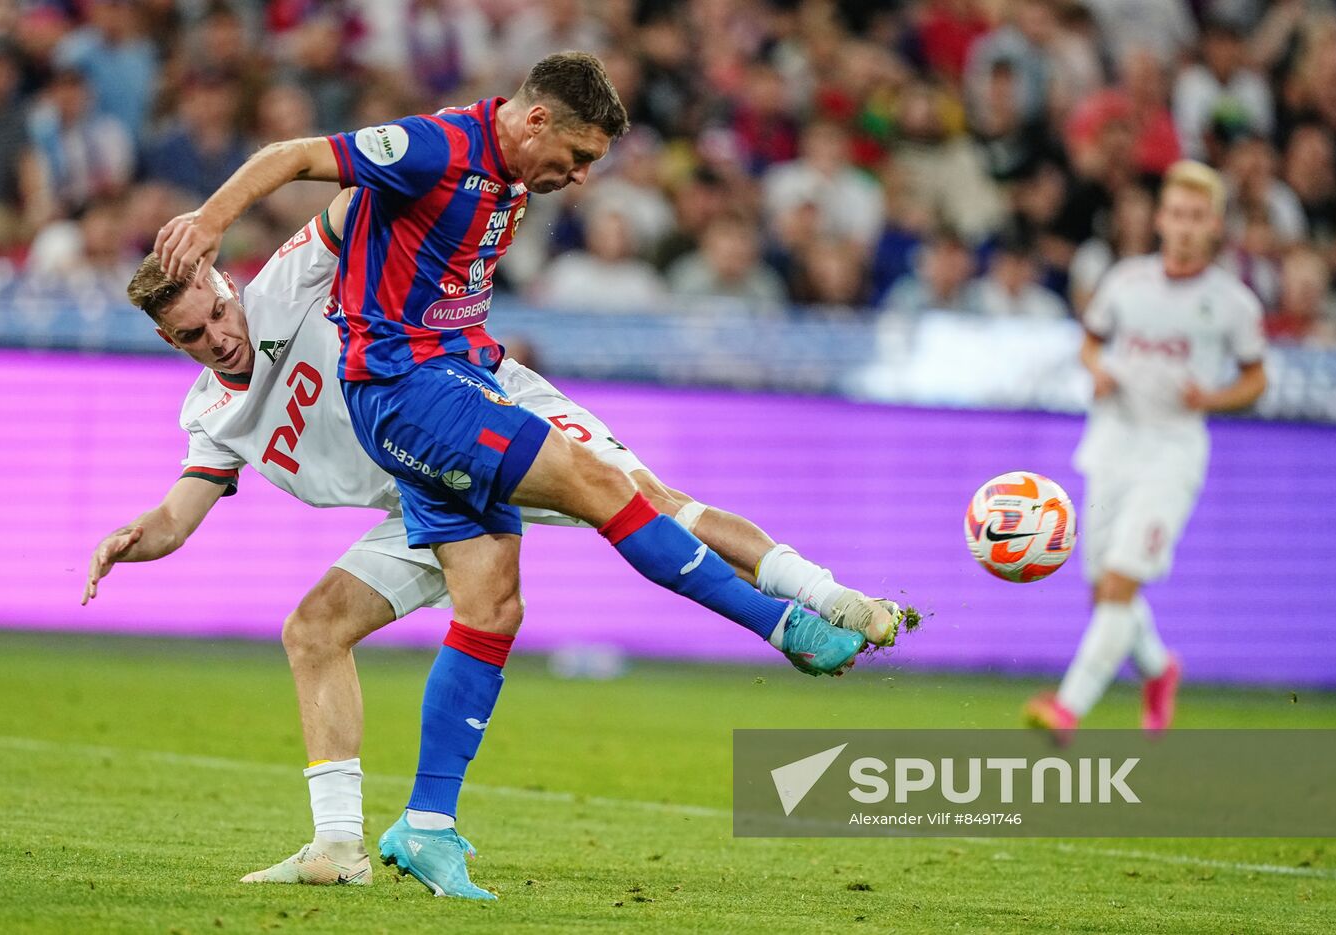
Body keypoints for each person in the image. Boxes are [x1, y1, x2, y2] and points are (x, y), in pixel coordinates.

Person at [150, 53, 898, 898]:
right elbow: (294, 156)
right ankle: (784, 624)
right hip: (412, 393)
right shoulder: (434, 147)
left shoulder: (506, 178)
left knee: (493, 605)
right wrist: (209, 222)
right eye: (576, 159)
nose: (577, 180)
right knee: (606, 487)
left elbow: (358, 223)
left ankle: (425, 823)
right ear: (534, 120)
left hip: (462, 378)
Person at [1024, 161, 1267, 743]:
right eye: (1176, 214)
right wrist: (1098, 372)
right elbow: (1090, 342)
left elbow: (1257, 378)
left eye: (1197, 217)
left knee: (1120, 584)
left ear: (1214, 225)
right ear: (1160, 218)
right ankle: (1159, 669)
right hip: (1111, 445)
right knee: (1101, 592)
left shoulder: (1232, 303)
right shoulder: (1126, 282)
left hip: (1172, 454)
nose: (1184, 227)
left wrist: (1212, 396)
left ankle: (1067, 707)